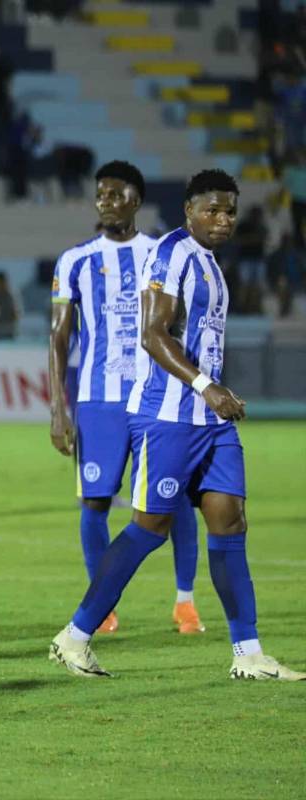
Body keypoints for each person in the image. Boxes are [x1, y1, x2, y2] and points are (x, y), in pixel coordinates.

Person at [49, 169, 305, 682]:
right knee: (150, 528)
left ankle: (248, 652)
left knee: (230, 522)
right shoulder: (171, 254)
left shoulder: (207, 261)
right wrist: (206, 385)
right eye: (212, 209)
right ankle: (74, 637)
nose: (223, 219)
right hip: (167, 418)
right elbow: (152, 334)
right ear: (189, 210)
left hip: (210, 423)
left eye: (230, 211)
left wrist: (214, 394)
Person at [49, 161, 202, 636]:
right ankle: (103, 605)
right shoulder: (74, 261)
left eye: (116, 195)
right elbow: (59, 338)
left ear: (136, 200)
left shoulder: (162, 255)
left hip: (157, 398)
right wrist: (59, 408)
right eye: (101, 195)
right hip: (97, 401)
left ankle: (185, 602)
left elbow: (180, 329)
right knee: (95, 503)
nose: (106, 203)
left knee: (172, 500)